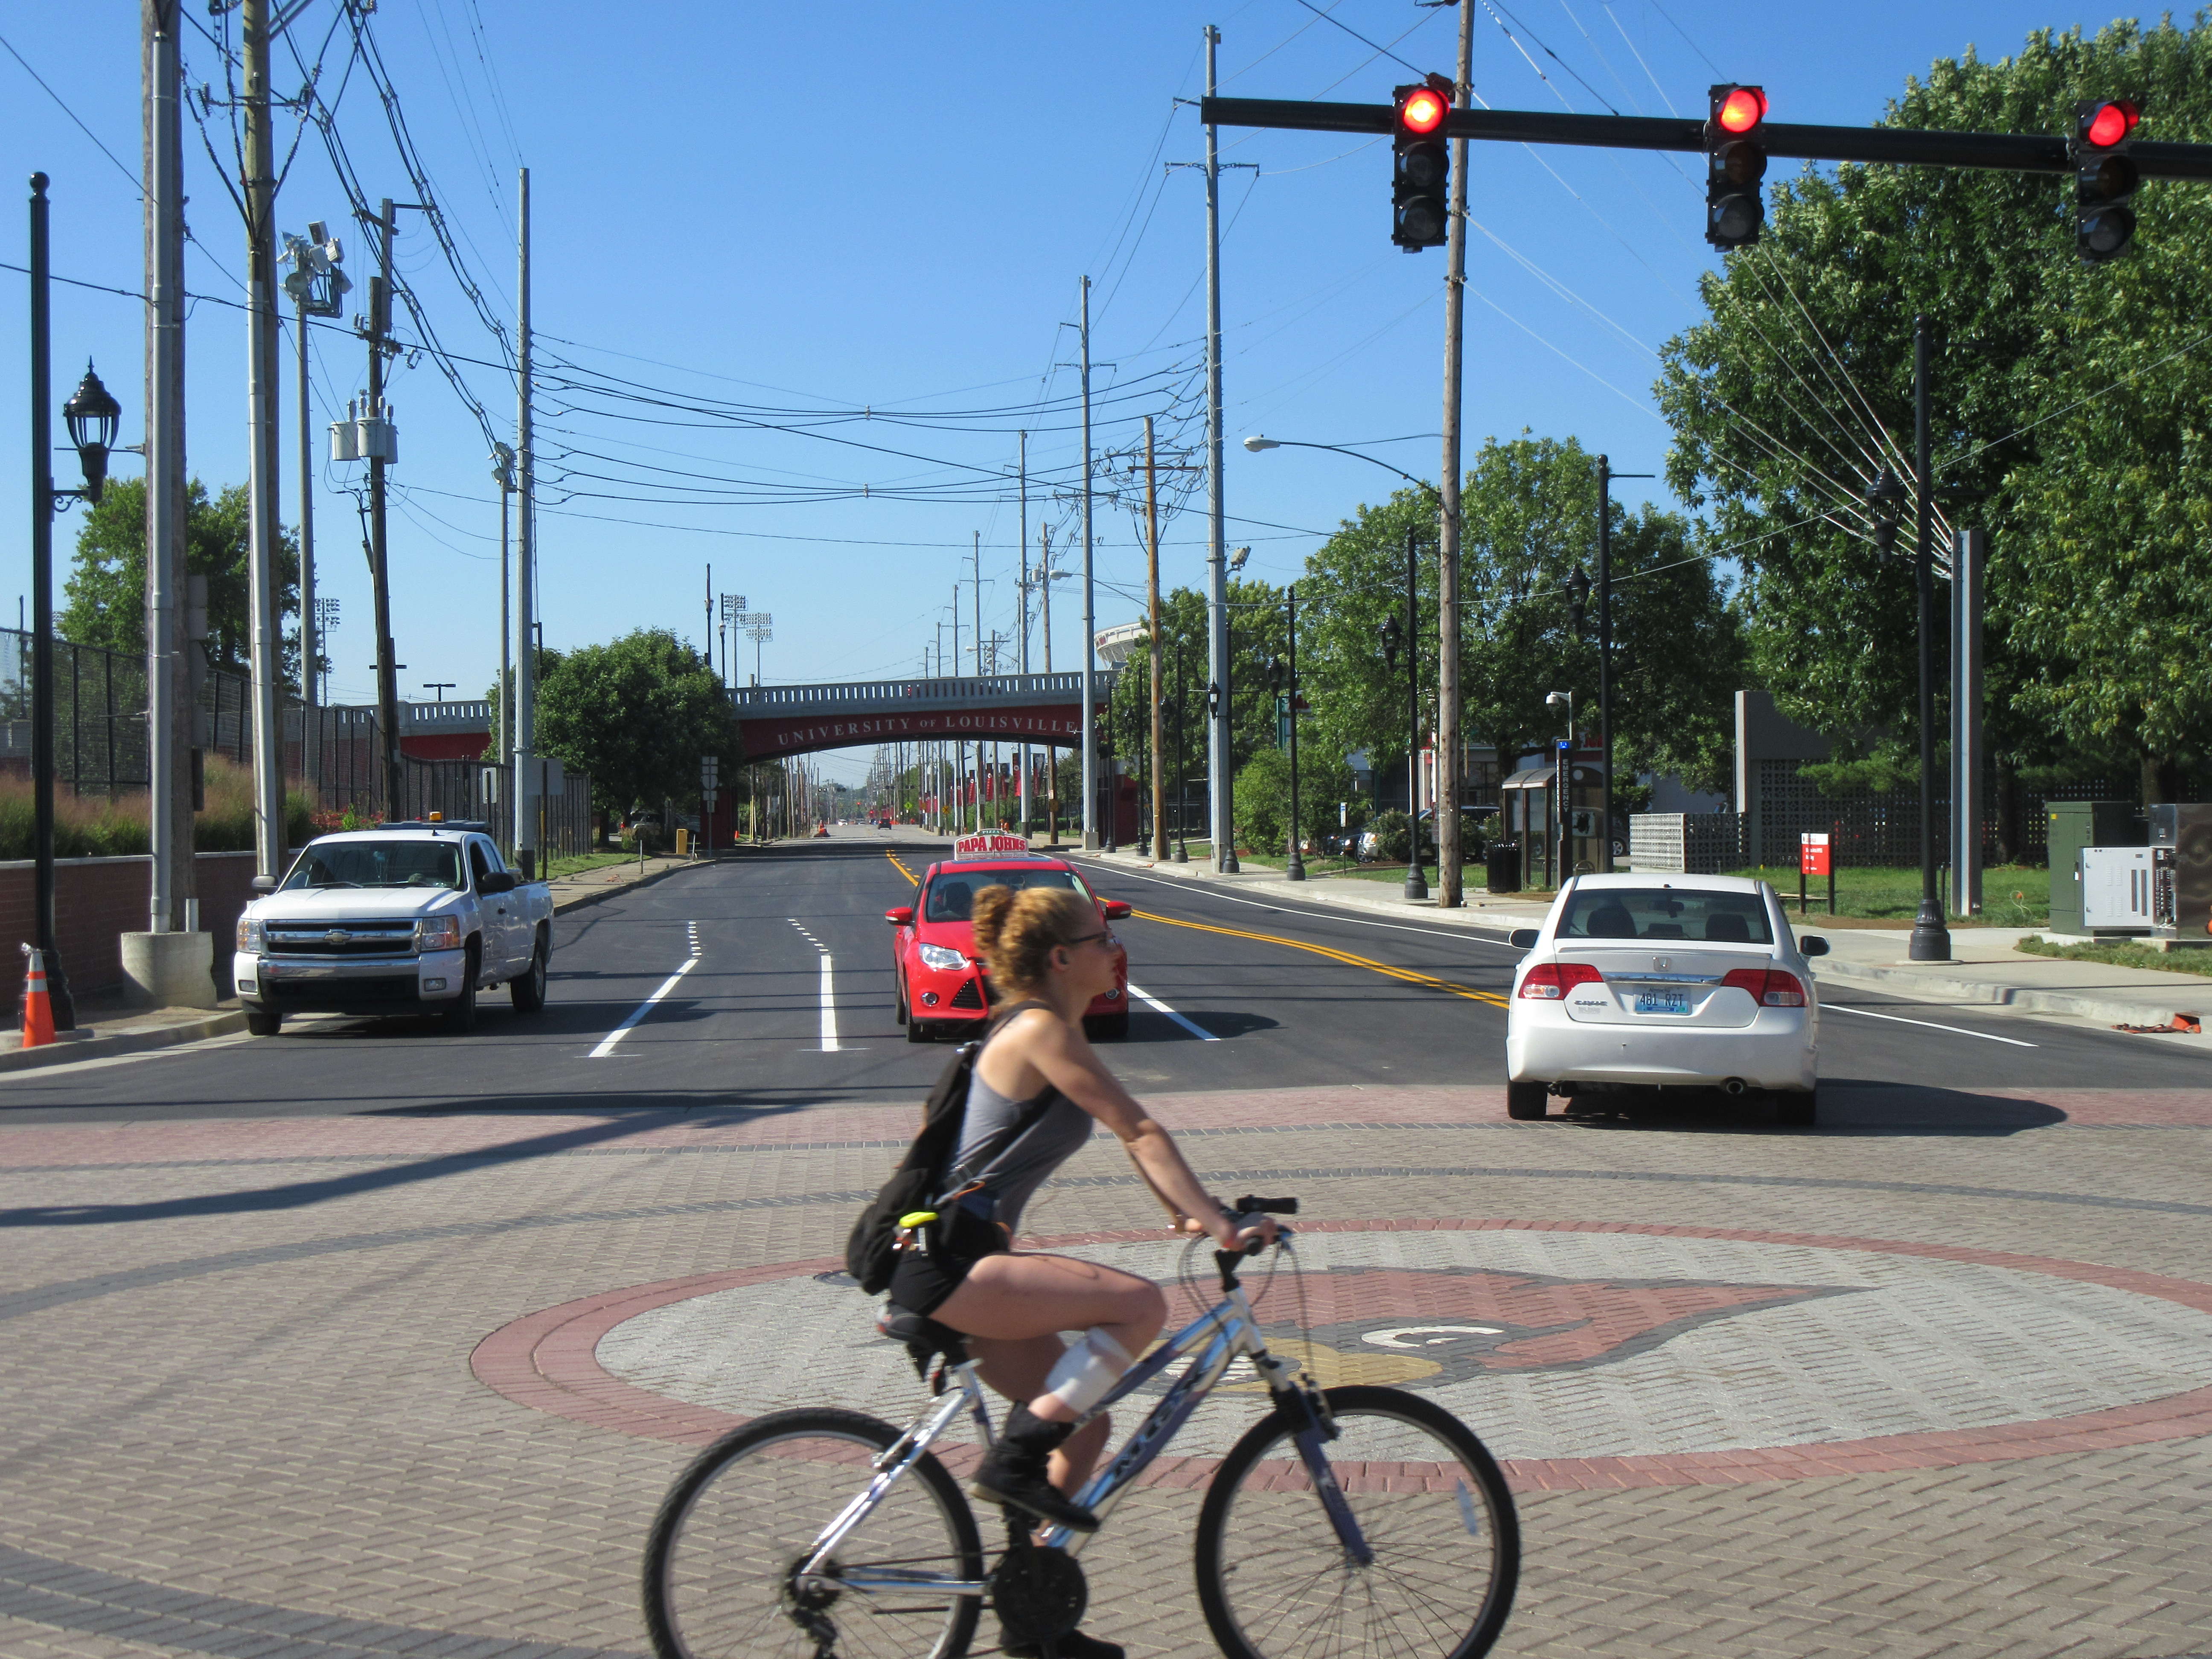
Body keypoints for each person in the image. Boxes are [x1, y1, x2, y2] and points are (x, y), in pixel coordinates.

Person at [883, 882, 1272, 1654]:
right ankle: (1016, 1457)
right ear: (1062, 958)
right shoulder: (1039, 1031)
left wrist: (1188, 1207)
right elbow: (1139, 1126)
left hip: (958, 1264)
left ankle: (1033, 1618)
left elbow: (1126, 1136)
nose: (1114, 950)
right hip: (955, 1264)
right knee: (1140, 1308)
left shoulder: (1044, 1029)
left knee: (1085, 1432)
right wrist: (1223, 1223)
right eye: (1100, 940)